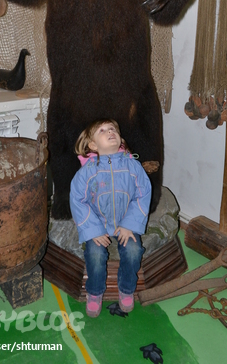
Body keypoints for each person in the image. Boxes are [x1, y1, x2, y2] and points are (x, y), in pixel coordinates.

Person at [70, 118, 152, 317]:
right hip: (98, 224)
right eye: (102, 130)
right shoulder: (87, 171)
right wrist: (93, 230)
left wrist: (129, 225)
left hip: (125, 223)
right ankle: (95, 292)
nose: (110, 132)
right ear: (92, 145)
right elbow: (78, 200)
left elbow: (143, 194)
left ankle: (126, 288)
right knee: (95, 254)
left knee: (133, 250)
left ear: (120, 139)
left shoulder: (133, 167)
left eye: (113, 129)